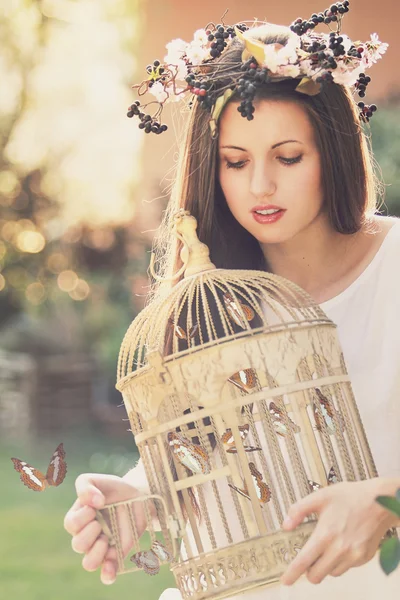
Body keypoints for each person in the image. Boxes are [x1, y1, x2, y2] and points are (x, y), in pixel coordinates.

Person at [64, 4, 400, 599]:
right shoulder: (213, 305)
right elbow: (203, 446)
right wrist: (145, 493)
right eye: (235, 162)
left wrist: (387, 499)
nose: (260, 187)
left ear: (335, 152)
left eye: (288, 157)